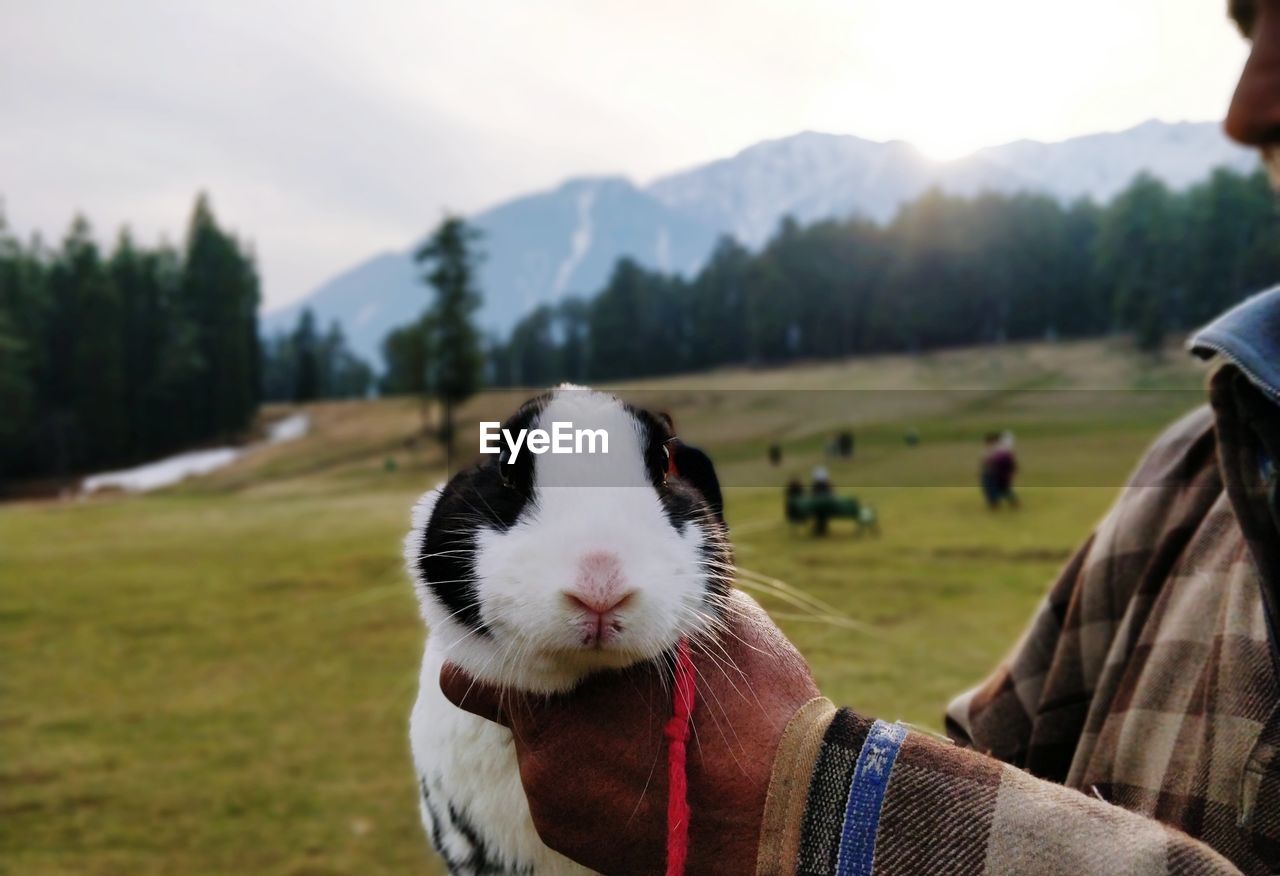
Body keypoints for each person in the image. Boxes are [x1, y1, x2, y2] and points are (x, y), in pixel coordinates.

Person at [440, 5, 1280, 872]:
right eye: (1250, 21)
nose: (1247, 108)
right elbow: (995, 764)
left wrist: (791, 805)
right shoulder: (1193, 472)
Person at [980, 430, 1019, 509]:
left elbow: (1008, 463)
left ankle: (996, 505)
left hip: (996, 473)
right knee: (999, 489)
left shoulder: (1001, 451)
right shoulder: (991, 450)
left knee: (999, 489)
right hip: (993, 473)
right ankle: (997, 504)